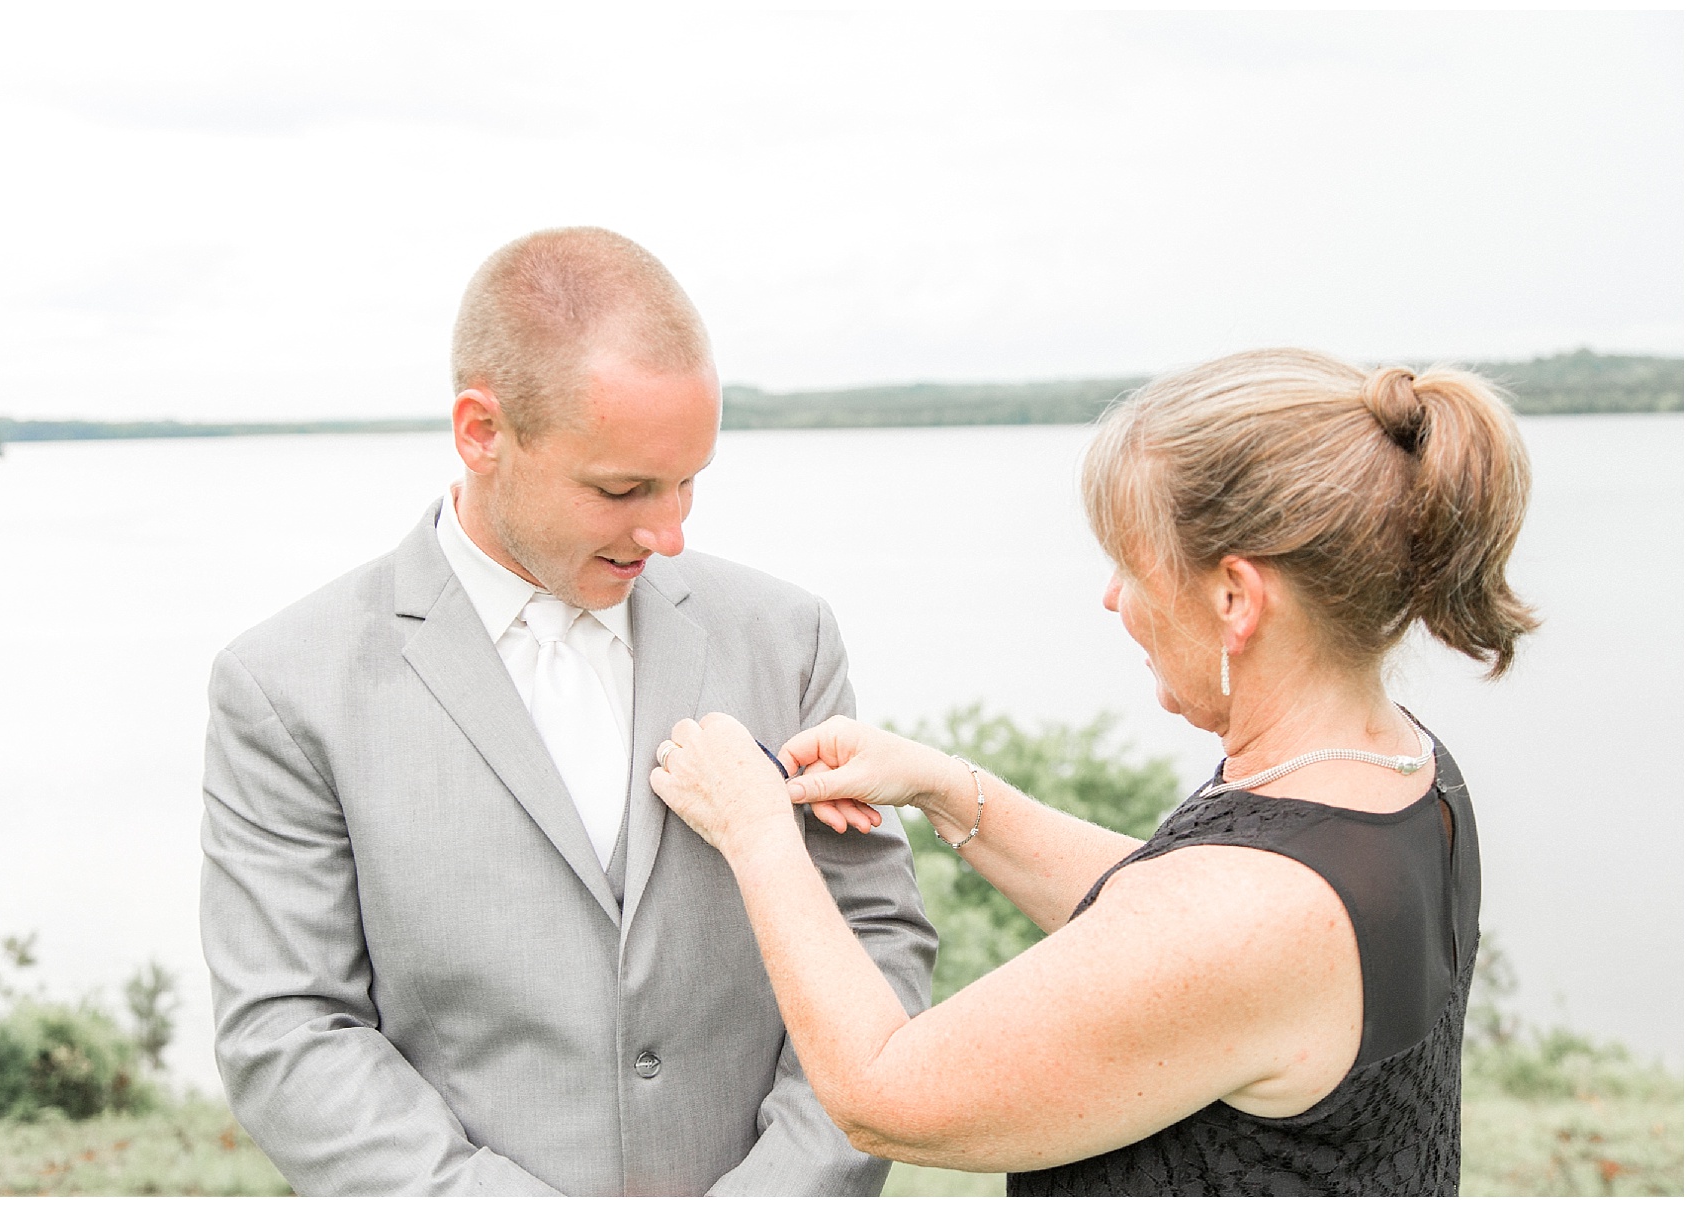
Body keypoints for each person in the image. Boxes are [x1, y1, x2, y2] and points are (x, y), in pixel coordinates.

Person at [650, 348, 1535, 1195]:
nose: (1114, 599)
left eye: (1133, 567)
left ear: (1235, 597)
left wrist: (756, 830)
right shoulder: (1404, 769)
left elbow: (882, 1094)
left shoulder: (1250, 915)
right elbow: (1160, 915)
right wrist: (944, 788)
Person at [198, 227, 935, 1196]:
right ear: (481, 431)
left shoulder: (787, 637)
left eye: (689, 480)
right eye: (622, 488)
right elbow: (291, 1032)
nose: (668, 532)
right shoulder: (286, 684)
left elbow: (874, 937)